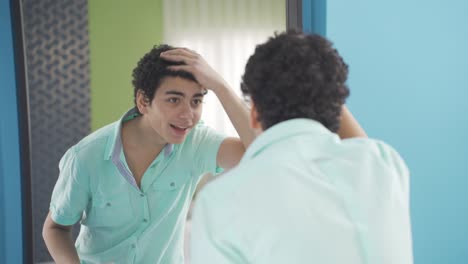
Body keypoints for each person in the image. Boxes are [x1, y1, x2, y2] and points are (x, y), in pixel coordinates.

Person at [190, 31, 413, 264]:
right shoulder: (385, 165)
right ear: (335, 103)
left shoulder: (220, 202)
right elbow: (360, 145)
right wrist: (318, 81)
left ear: (254, 113)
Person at [42, 45, 255, 264]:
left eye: (196, 101)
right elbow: (55, 228)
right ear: (143, 101)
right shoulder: (85, 157)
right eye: (174, 100)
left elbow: (261, 149)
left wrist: (219, 85)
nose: (188, 115)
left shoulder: (197, 143)